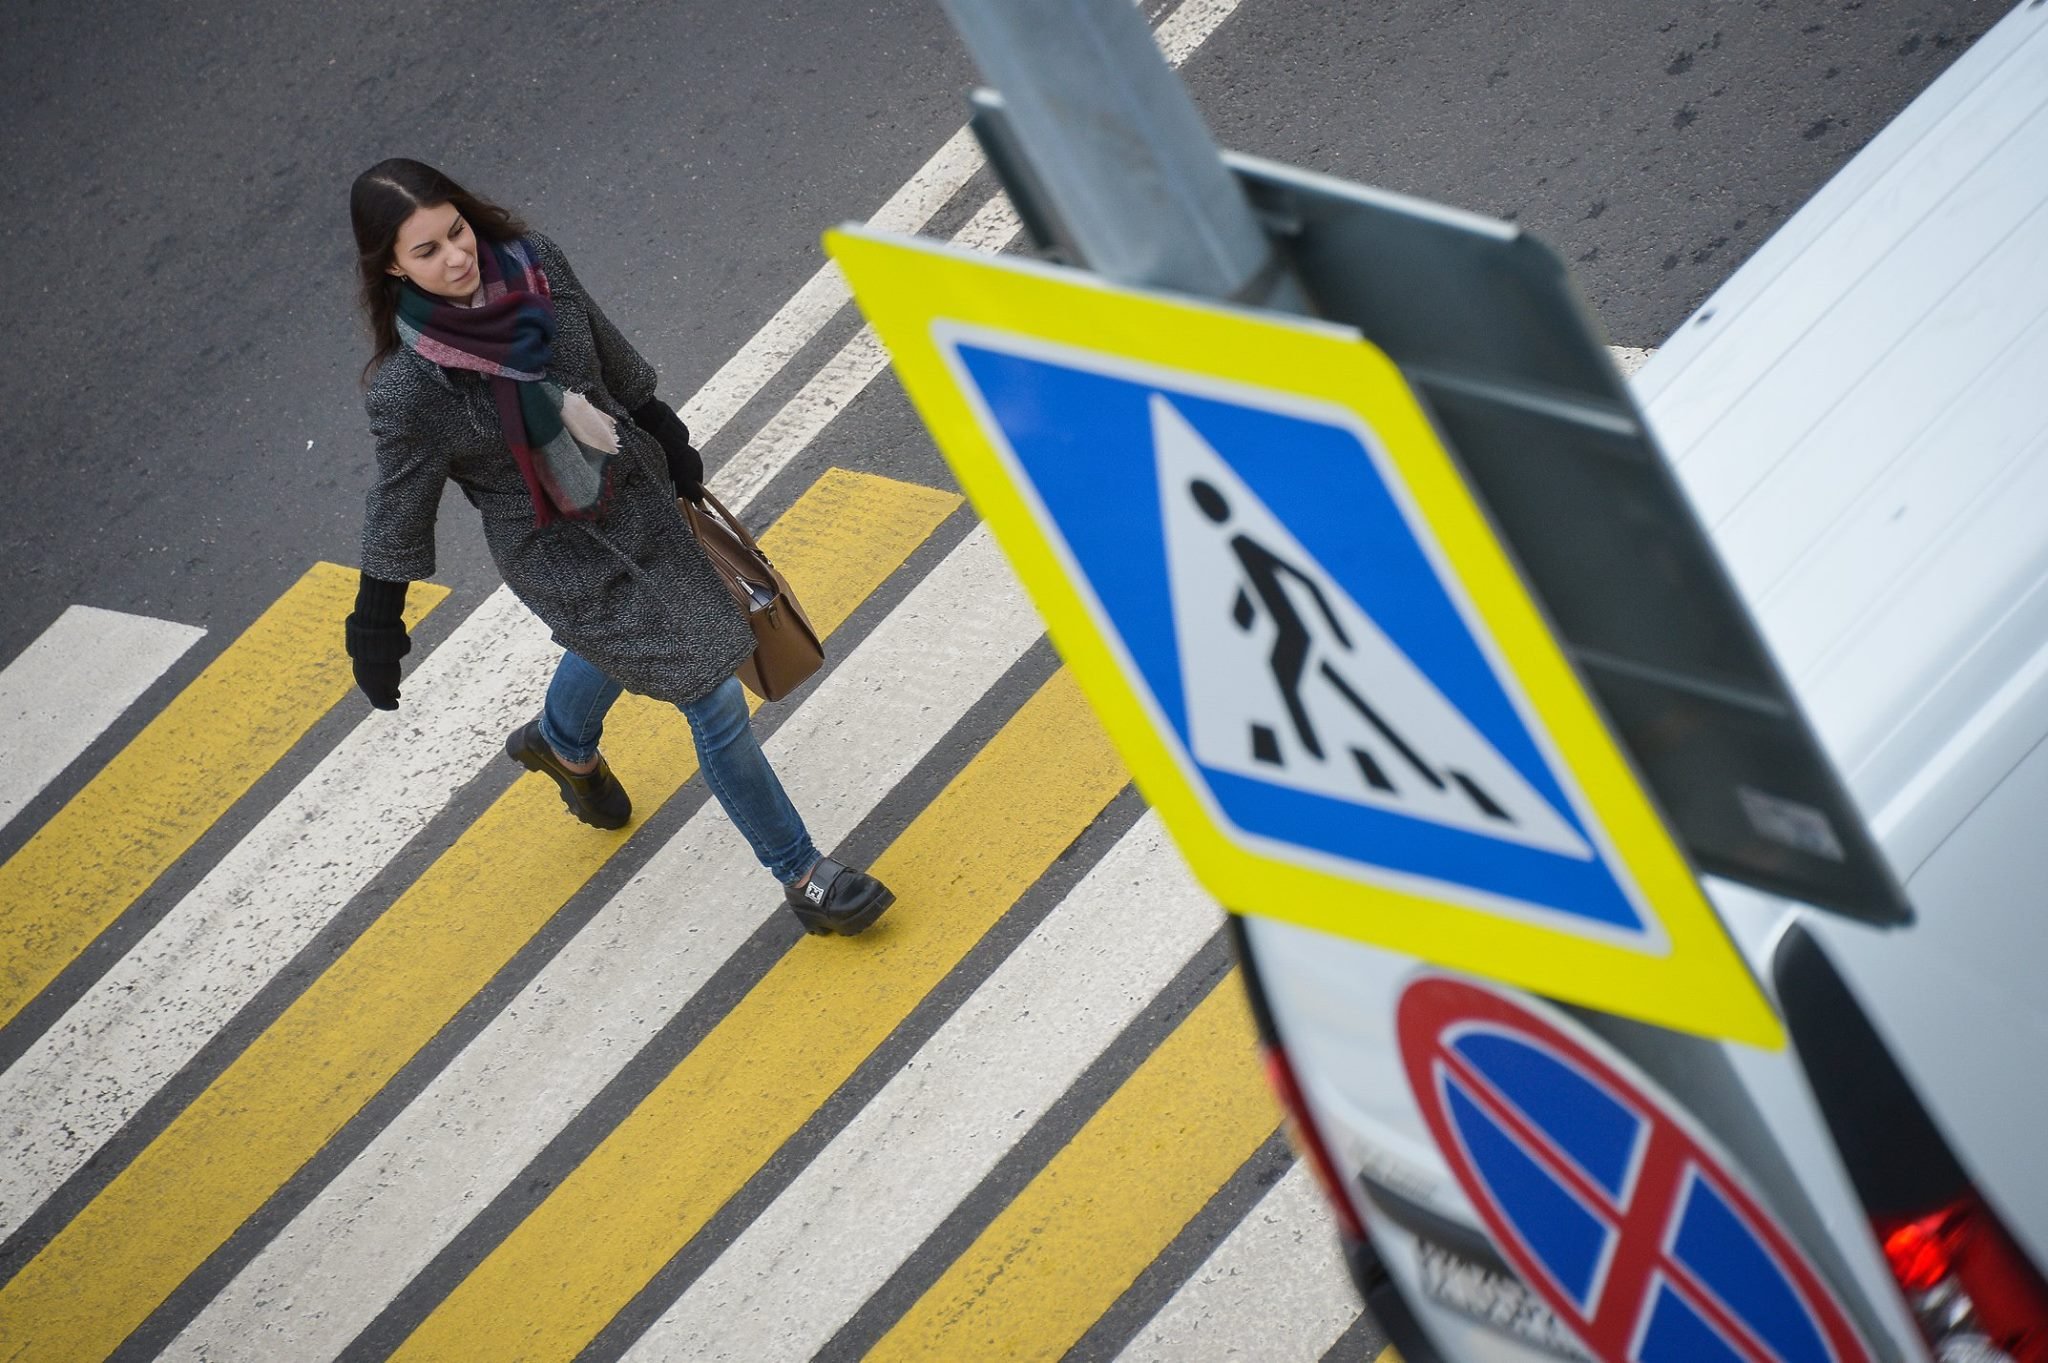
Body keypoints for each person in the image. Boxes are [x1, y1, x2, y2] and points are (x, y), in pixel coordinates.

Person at [341, 158, 891, 936]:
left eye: (456, 231)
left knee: (640, 647)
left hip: (638, 495)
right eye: (425, 251)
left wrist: (666, 430)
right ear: (391, 267)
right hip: (561, 554)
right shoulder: (411, 389)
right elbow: (398, 504)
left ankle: (561, 742)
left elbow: (613, 356)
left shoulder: (536, 266)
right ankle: (803, 874)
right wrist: (377, 618)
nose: (457, 258)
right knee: (711, 685)